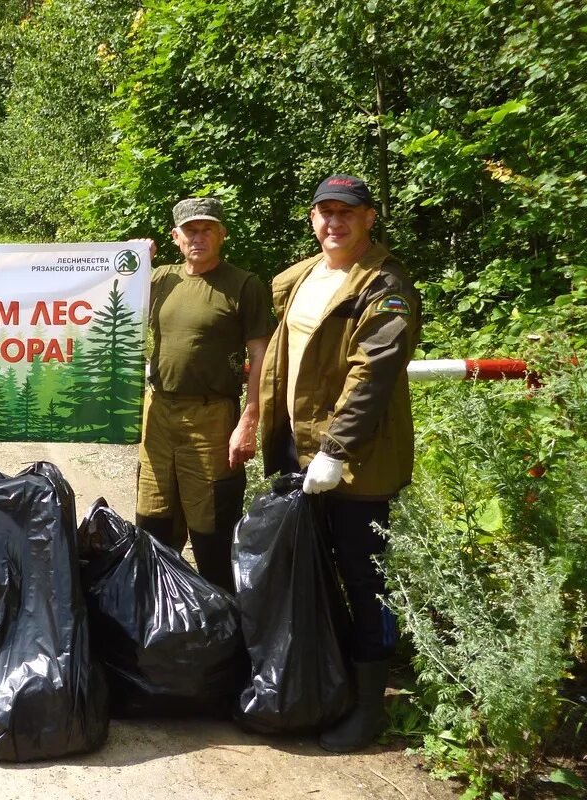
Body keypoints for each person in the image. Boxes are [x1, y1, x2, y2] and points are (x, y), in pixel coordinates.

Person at [258, 174, 422, 752]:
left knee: (364, 578)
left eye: (347, 213)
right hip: (296, 450)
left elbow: (371, 375)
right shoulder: (304, 277)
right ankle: (321, 687)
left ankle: (368, 707)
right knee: (312, 571)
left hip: (354, 463)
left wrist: (334, 450)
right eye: (325, 212)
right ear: (312, 219)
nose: (335, 222)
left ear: (369, 218)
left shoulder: (385, 284)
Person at [136, 197, 274, 594]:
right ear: (176, 237)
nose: (199, 237)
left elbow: (260, 356)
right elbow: (99, 303)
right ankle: (155, 617)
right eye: (190, 230)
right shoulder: (160, 279)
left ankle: (221, 621)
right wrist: (134, 261)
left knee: (212, 525)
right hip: (158, 412)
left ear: (222, 234)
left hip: (212, 417)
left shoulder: (243, 285)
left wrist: (249, 420)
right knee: (153, 519)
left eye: (207, 229)